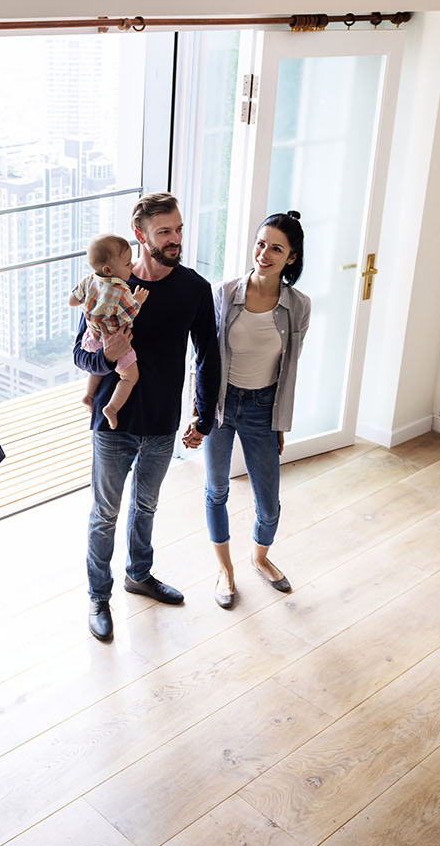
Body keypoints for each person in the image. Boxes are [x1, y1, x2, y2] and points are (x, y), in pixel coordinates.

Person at [73, 192, 220, 641]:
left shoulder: (195, 288)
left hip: (161, 423)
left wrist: (203, 414)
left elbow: (208, 356)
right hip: (113, 425)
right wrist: (108, 358)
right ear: (139, 236)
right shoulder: (106, 285)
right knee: (105, 514)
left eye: (177, 229)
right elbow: (82, 355)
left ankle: (140, 574)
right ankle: (99, 596)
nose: (175, 239)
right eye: (164, 232)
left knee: (147, 506)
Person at [205, 211, 311, 609]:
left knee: (269, 503)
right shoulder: (225, 292)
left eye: (276, 249)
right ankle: (225, 570)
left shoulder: (298, 306)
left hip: (262, 407)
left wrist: (279, 422)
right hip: (221, 403)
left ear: (291, 258)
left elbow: (290, 368)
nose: (264, 253)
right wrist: (200, 413)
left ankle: (259, 557)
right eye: (261, 243)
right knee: (216, 490)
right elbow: (206, 360)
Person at [69, 234, 150, 429]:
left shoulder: (88, 281)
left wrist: (87, 304)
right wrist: (138, 299)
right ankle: (112, 408)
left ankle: (89, 396)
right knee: (130, 377)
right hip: (116, 342)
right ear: (109, 270)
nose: (131, 267)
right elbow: (130, 314)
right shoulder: (121, 291)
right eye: (127, 264)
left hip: (92, 337)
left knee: (98, 368)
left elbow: (72, 301)